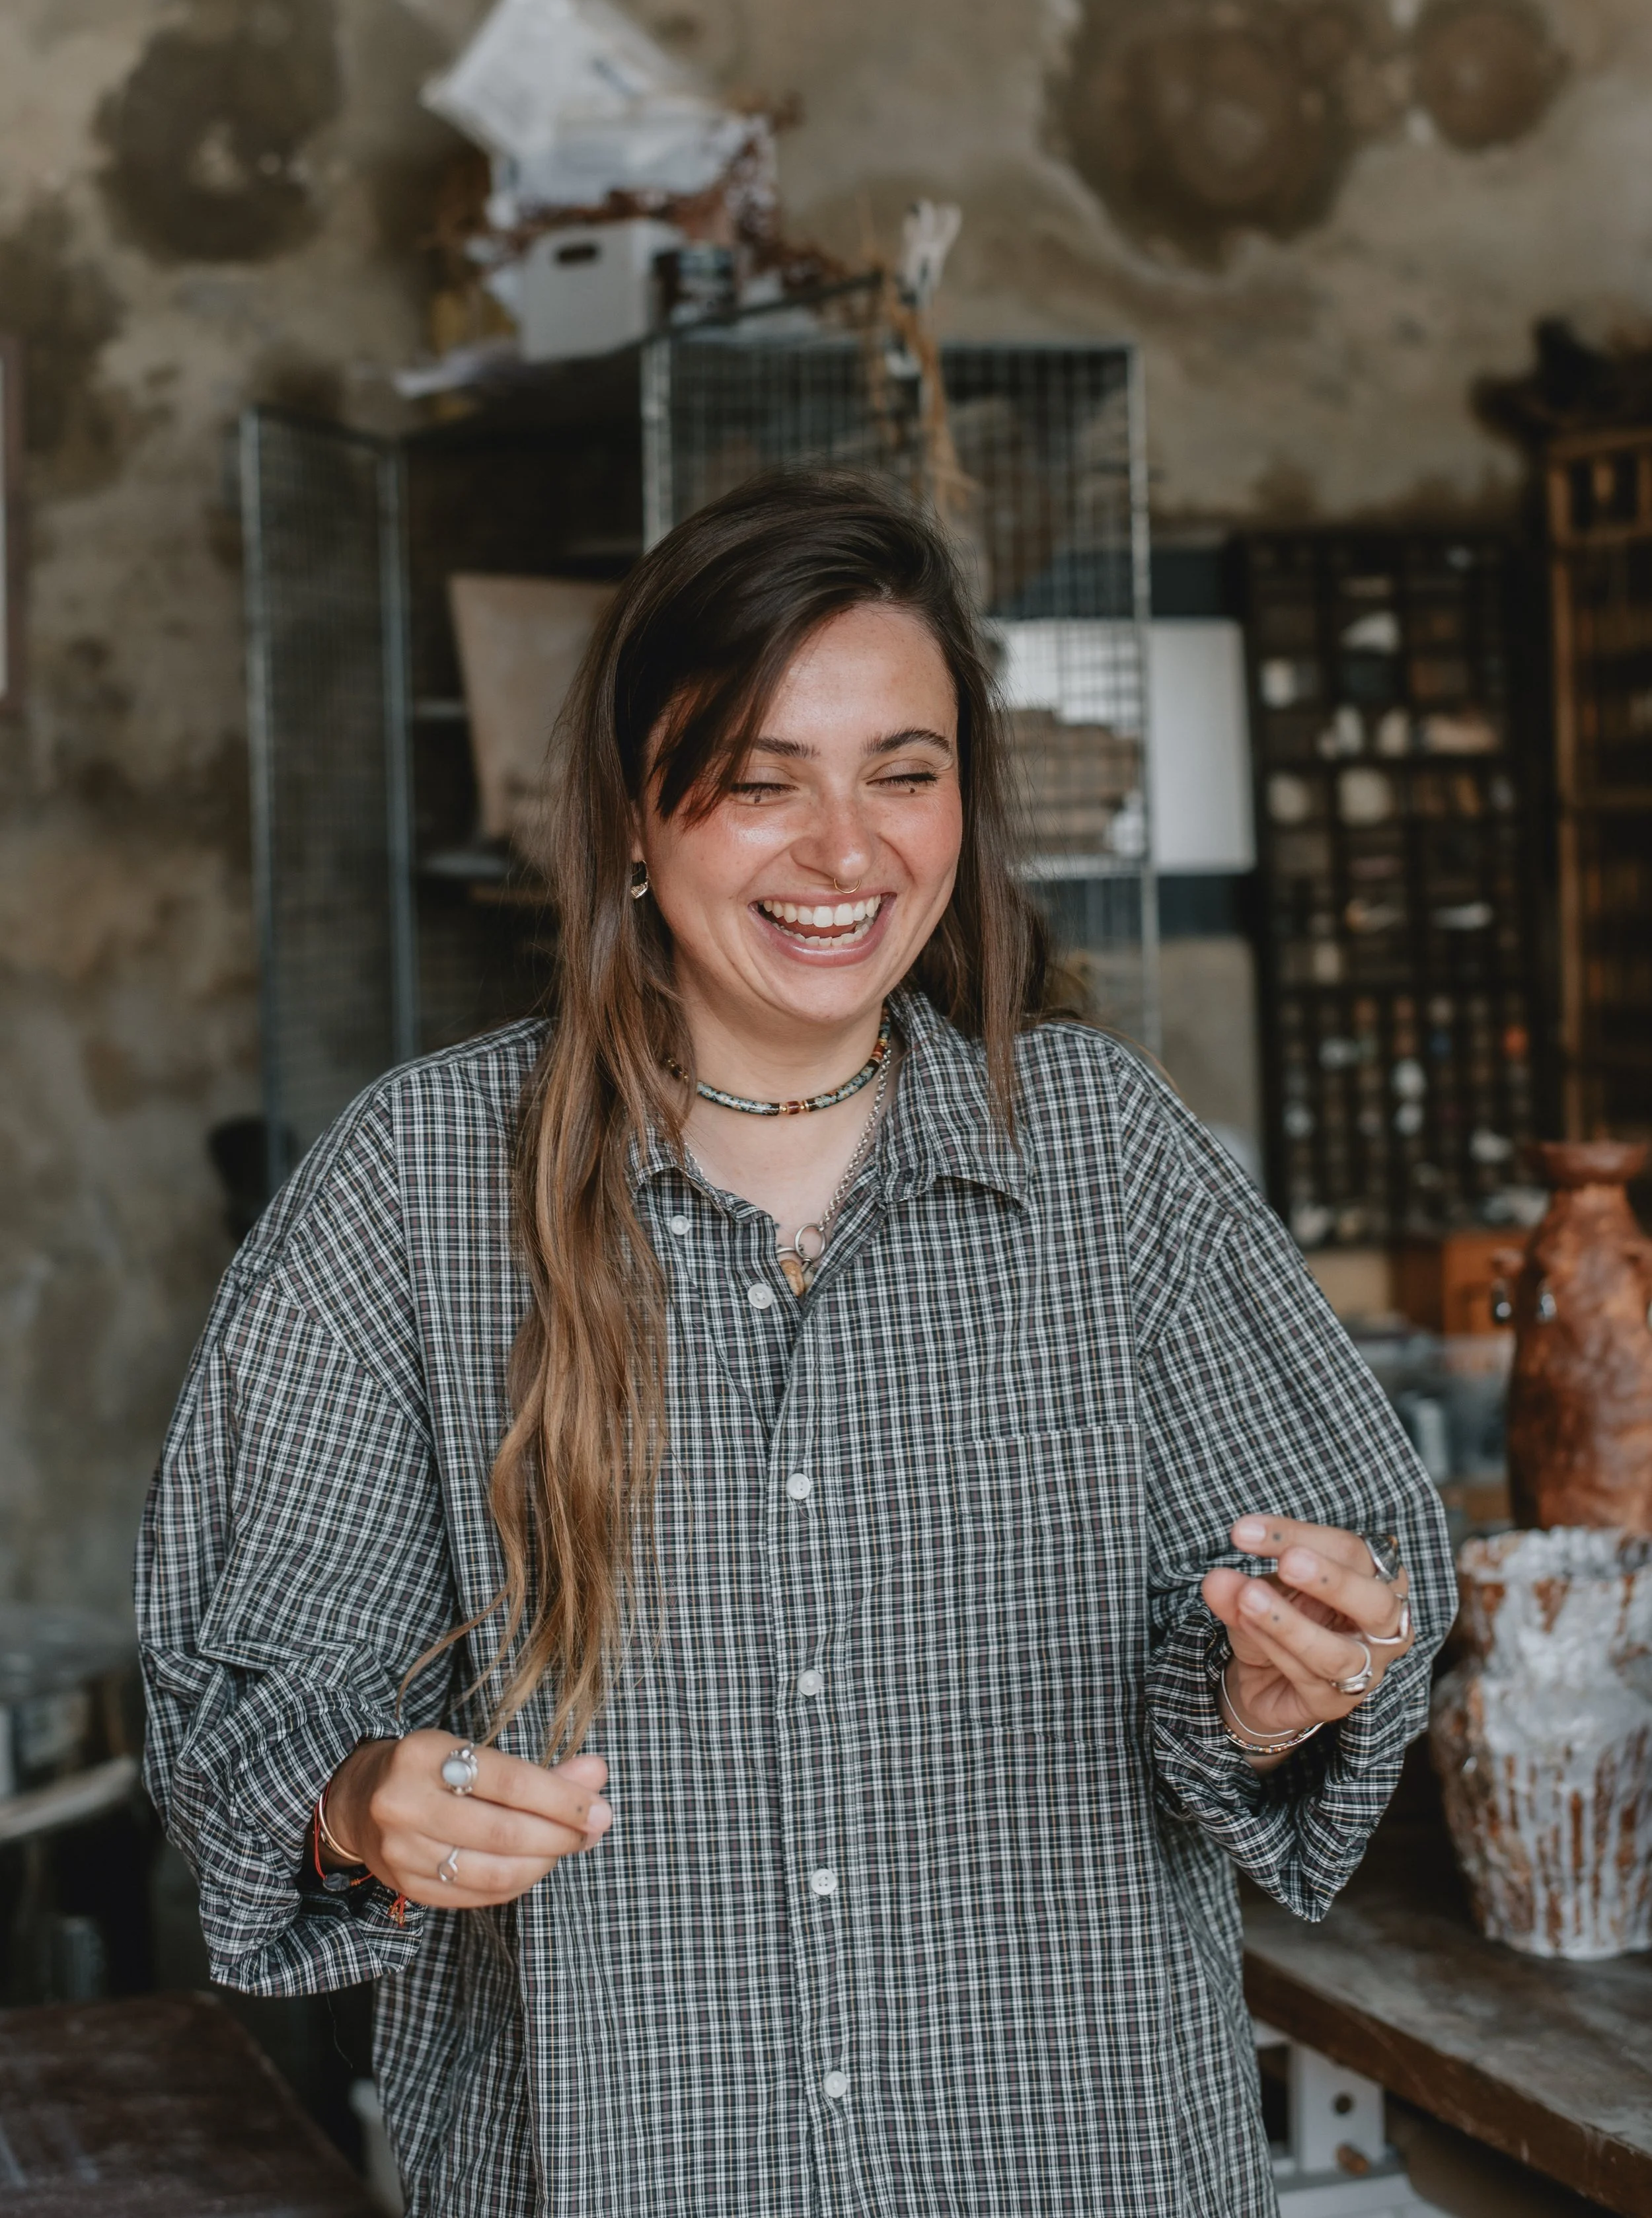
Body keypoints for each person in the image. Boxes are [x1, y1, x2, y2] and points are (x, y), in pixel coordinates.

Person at [138, 471, 1452, 2217]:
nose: (848, 853)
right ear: (627, 812)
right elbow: (241, 1702)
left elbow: (1361, 1585)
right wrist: (362, 1797)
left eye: (902, 774)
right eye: (763, 783)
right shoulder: (419, 1187)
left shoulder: (1100, 1155)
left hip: (1080, 2161)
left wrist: (1277, 1678)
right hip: (626, 2172)